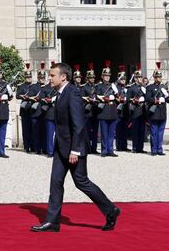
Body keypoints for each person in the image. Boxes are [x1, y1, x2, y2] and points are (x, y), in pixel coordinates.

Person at [31, 62, 120, 233]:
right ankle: (52, 222)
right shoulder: (59, 93)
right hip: (61, 146)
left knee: (81, 182)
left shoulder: (72, 93)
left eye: (52, 75)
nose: (50, 78)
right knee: (55, 182)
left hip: (73, 148)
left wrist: (75, 150)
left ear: (63, 77)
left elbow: (79, 124)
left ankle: (110, 210)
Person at [146, 62, 169, 156]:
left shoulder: (164, 87)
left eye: (159, 77)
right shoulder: (150, 87)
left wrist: (167, 95)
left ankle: (159, 149)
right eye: (156, 77)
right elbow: (148, 98)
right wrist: (156, 100)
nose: (158, 78)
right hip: (154, 112)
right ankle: (154, 150)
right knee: (154, 133)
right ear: (154, 77)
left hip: (162, 113)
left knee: (160, 133)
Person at [96, 60, 119, 157]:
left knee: (111, 133)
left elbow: (118, 99)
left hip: (112, 111)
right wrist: (103, 98)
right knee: (104, 133)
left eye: (108, 76)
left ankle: (110, 150)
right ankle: (104, 150)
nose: (107, 77)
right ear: (102, 76)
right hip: (104, 111)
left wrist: (116, 94)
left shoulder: (113, 86)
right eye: (105, 76)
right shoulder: (99, 86)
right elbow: (95, 97)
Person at [126, 64, 148, 154]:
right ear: (135, 78)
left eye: (140, 77)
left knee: (142, 130)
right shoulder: (132, 87)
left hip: (143, 111)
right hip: (135, 110)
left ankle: (140, 148)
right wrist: (134, 99)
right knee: (135, 130)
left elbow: (148, 97)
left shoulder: (144, 87)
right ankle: (135, 147)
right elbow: (127, 98)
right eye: (138, 77)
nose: (140, 79)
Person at [29, 61, 47, 155]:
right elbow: (29, 97)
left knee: (45, 132)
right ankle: (37, 149)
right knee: (36, 132)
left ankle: (45, 148)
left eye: (43, 77)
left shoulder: (48, 87)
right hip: (35, 112)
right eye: (40, 77)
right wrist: (36, 98)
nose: (42, 79)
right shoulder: (33, 87)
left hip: (45, 113)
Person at [16, 62, 34, 153]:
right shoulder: (21, 86)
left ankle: (33, 146)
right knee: (25, 129)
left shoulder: (34, 86)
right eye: (27, 77)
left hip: (33, 109)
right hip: (24, 110)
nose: (28, 78)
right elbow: (17, 96)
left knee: (33, 129)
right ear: (24, 78)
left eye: (30, 77)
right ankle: (26, 146)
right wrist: (22, 96)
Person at [82, 62, 99, 154]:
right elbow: (81, 98)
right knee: (87, 131)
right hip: (87, 111)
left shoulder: (96, 87)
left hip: (95, 110)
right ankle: (87, 148)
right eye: (90, 77)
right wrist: (87, 99)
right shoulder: (84, 87)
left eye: (93, 77)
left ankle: (94, 148)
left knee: (95, 131)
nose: (92, 79)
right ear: (87, 78)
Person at [115, 65, 130, 152]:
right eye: (122, 79)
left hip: (125, 111)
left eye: (124, 79)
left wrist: (126, 98)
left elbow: (129, 97)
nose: (123, 80)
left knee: (125, 129)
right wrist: (119, 98)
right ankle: (119, 146)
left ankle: (124, 145)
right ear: (118, 79)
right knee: (119, 129)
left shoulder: (127, 87)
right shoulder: (116, 88)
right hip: (118, 111)